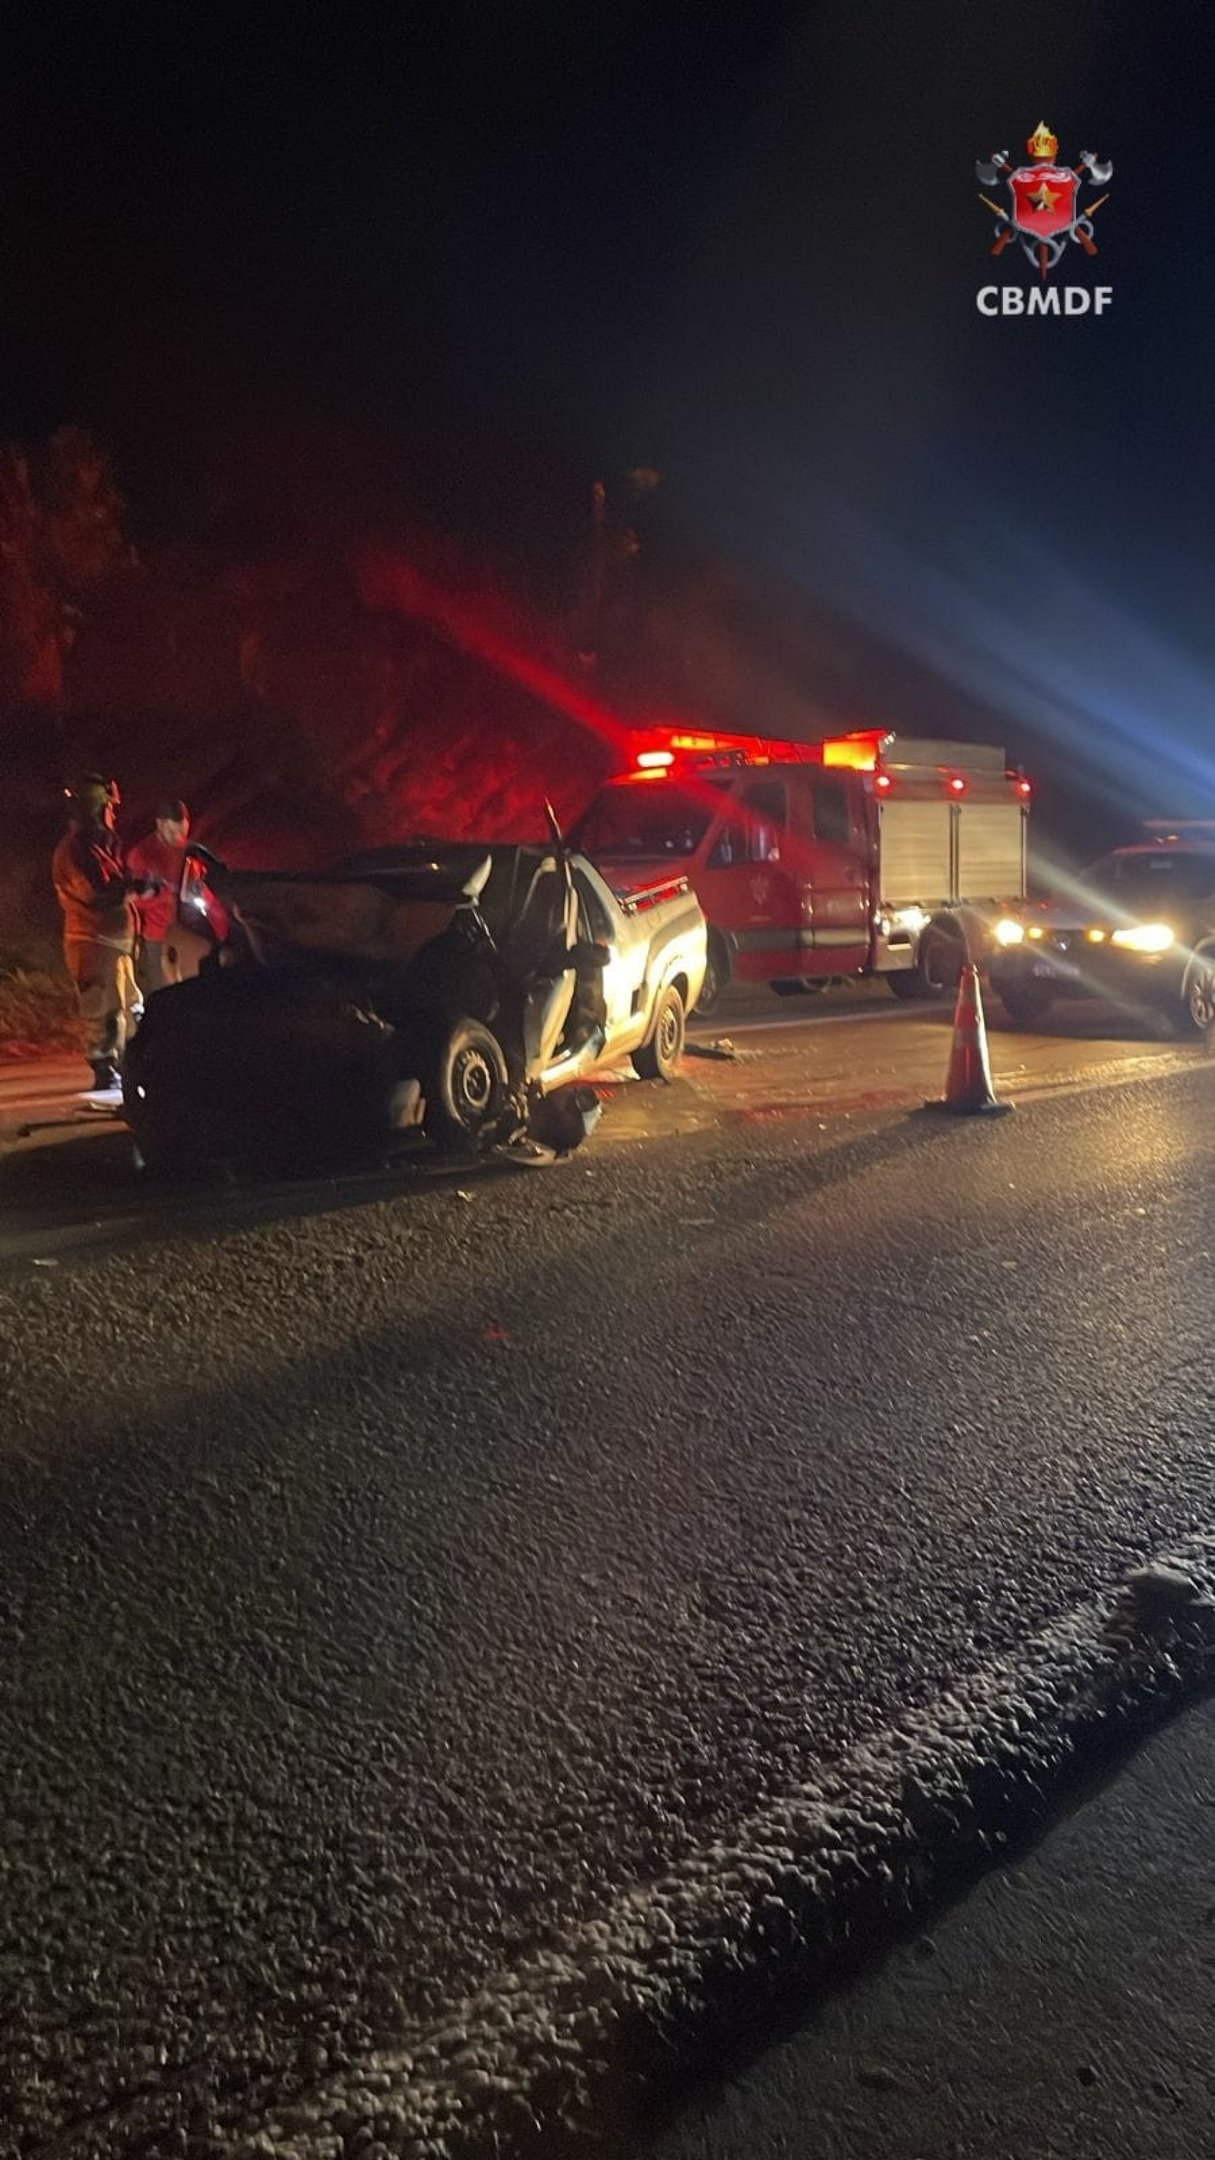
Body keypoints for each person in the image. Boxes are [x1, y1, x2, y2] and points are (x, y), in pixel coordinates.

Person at [51, 776, 152, 1096]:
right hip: (93, 943)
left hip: (115, 943)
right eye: (109, 807)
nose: (114, 814)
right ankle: (104, 1068)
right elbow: (97, 894)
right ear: (94, 809)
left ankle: (132, 1064)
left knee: (130, 1006)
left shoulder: (100, 847)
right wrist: (136, 889)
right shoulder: (73, 852)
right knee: (101, 1007)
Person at [127, 798, 193, 996]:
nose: (178, 838)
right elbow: (133, 900)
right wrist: (166, 895)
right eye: (173, 832)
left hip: (186, 932)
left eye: (183, 832)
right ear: (160, 824)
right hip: (157, 935)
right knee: (162, 991)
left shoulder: (187, 849)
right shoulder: (141, 855)